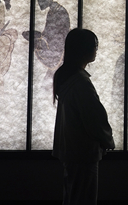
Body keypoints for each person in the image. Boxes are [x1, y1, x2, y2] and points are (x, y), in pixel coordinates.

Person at [52, 28, 115, 205]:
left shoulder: (69, 78)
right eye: (94, 45)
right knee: (84, 198)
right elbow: (94, 119)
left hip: (72, 150)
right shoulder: (80, 83)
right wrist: (108, 140)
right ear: (83, 49)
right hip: (83, 152)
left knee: (73, 196)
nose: (96, 49)